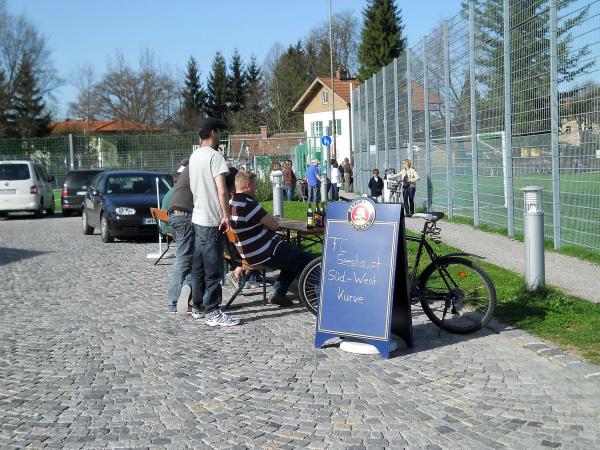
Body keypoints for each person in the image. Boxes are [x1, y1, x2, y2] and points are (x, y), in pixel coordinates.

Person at [230, 170, 315, 306]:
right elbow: (275, 225)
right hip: (263, 252)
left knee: (293, 255)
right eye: (255, 184)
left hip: (249, 251)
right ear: (248, 185)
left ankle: (279, 292)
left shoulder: (232, 202)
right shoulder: (248, 204)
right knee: (308, 258)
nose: (256, 188)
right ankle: (314, 292)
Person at [188, 117, 240, 327]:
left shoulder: (194, 156)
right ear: (212, 133)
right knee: (214, 267)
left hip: (197, 217)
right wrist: (226, 215)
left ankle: (198, 307)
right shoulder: (215, 156)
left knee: (198, 266)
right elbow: (222, 190)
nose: (220, 136)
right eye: (219, 132)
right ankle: (213, 311)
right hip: (211, 220)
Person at [165, 160, 193, 314]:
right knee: (183, 259)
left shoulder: (186, 173)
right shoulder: (197, 170)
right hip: (184, 216)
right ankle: (174, 302)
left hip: (174, 215)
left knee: (189, 258)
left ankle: (184, 297)